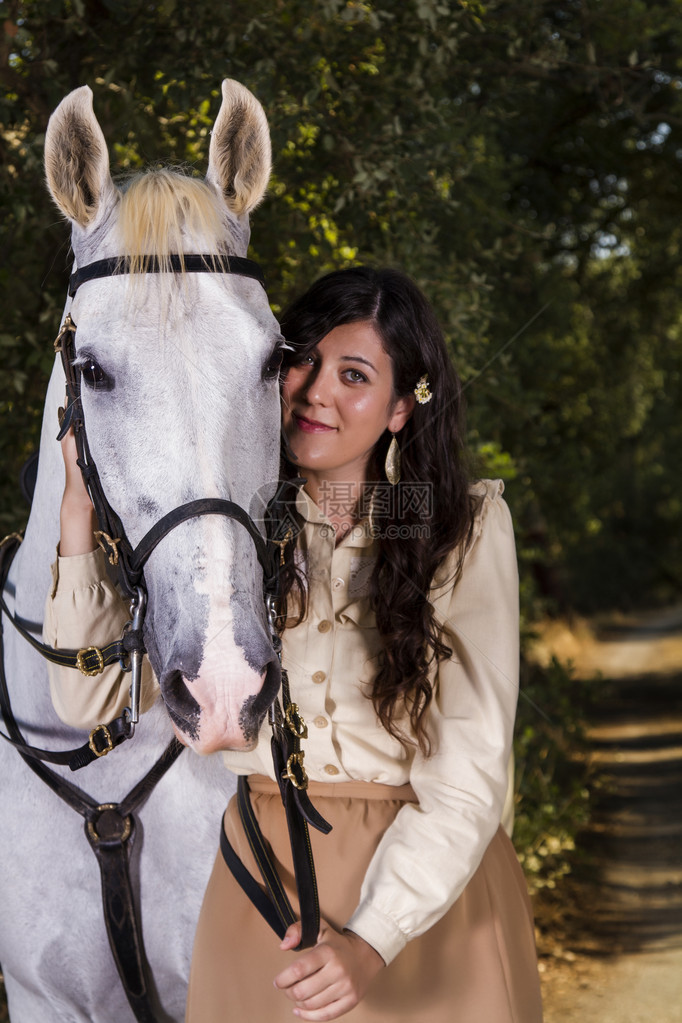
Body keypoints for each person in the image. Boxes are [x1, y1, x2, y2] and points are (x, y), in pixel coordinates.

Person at [45, 267, 543, 1022]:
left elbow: (471, 780)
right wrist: (76, 519)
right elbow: (89, 701)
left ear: (403, 407)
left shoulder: (461, 531)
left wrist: (372, 940)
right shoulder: (226, 527)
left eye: (354, 375)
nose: (316, 391)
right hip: (261, 897)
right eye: (301, 360)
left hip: (425, 907)